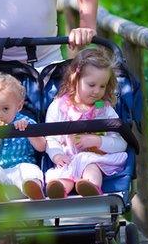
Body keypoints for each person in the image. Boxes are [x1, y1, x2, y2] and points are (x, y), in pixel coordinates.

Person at [44, 48, 128, 198]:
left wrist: (98, 141)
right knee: (61, 174)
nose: (97, 91)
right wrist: (57, 155)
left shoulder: (102, 108)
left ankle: (90, 187)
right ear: (75, 79)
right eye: (91, 85)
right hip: (67, 159)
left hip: (92, 158)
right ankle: (59, 190)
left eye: (102, 86)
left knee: (92, 168)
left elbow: (121, 143)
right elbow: (50, 138)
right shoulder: (59, 106)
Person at [0, 72, 47, 202]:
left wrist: (28, 131)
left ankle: (32, 189)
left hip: (21, 169)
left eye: (5, 109)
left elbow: (42, 147)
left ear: (18, 106)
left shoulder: (25, 121)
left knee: (31, 170)